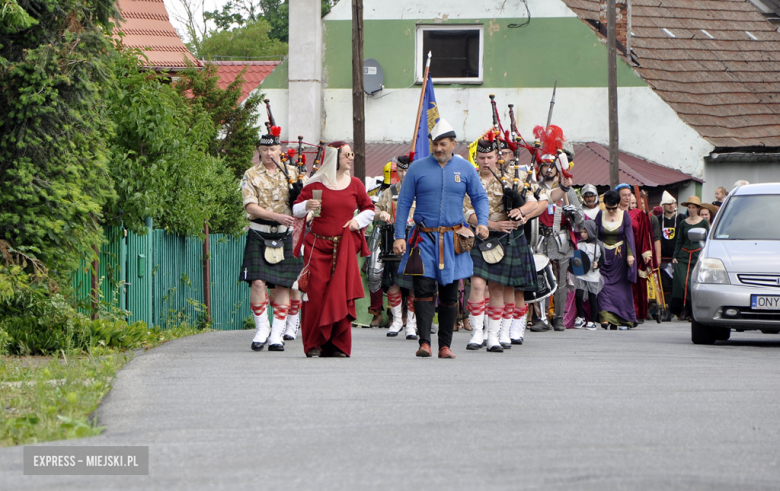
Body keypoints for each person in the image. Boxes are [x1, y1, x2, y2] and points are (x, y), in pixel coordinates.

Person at [393, 119, 489, 359]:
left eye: (443, 144)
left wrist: (484, 222)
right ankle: (424, 343)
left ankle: (445, 346)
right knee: (423, 289)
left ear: (453, 144)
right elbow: (403, 203)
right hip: (423, 239)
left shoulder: (466, 168)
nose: (438, 149)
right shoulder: (416, 168)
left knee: (449, 293)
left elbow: (480, 197)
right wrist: (398, 236)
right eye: (435, 144)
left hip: (454, 240)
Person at [292, 142, 375, 357]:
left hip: (344, 249)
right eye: (347, 154)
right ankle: (314, 345)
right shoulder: (315, 185)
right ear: (334, 158)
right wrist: (306, 206)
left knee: (340, 294)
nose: (351, 158)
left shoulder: (355, 184)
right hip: (318, 247)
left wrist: (357, 221)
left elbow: (369, 209)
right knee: (317, 295)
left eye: (352, 154)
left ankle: (337, 344)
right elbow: (296, 209)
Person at [463, 136, 538, 352]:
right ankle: (478, 333)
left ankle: (494, 336)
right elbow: (467, 212)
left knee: (497, 289)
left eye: (490, 157)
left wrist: (520, 211)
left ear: (498, 157)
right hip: (481, 236)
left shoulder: (513, 178)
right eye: (481, 157)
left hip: (506, 238)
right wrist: (492, 225)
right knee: (477, 285)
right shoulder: (471, 179)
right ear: (476, 158)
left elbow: (533, 201)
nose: (486, 162)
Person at [241, 128, 305, 352]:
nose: (270, 153)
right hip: (259, 231)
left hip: (286, 234)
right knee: (258, 282)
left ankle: (277, 333)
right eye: (265, 149)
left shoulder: (295, 174)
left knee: (283, 284)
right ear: (259, 150)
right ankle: (262, 329)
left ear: (281, 150)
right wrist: (276, 216)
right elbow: (250, 205)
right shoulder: (251, 174)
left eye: (274, 149)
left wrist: (301, 199)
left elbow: (304, 207)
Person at [531, 152, 584, 332]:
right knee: (541, 278)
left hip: (561, 238)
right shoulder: (534, 188)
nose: (549, 169)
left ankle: (559, 318)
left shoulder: (567, 189)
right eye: (545, 166)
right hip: (540, 238)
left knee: (561, 281)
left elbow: (581, 218)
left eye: (552, 166)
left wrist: (572, 213)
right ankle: (541, 318)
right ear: (541, 168)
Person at [375, 155, 417, 340]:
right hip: (394, 241)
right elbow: (374, 211)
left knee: (414, 285)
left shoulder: (421, 190)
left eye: (407, 170)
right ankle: (398, 320)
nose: (404, 173)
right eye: (400, 170)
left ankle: (412, 324)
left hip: (416, 241)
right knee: (393, 283)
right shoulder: (390, 191)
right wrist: (382, 212)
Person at [595, 190, 637, 329]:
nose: (611, 211)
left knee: (621, 288)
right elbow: (595, 237)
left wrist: (630, 255)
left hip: (620, 256)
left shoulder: (625, 216)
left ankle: (622, 318)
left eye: (614, 208)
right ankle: (605, 317)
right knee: (603, 286)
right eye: (608, 208)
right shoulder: (600, 214)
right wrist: (595, 256)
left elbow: (629, 236)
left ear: (618, 204)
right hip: (604, 256)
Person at [617, 184, 655, 324]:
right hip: (618, 252)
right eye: (624, 195)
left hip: (636, 253)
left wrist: (646, 254)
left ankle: (636, 312)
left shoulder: (638, 214)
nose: (627, 197)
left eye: (628, 195)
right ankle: (619, 312)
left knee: (636, 282)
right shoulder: (614, 213)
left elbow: (645, 234)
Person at [671, 196, 710, 321]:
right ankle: (682, 309)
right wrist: (675, 255)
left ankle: (692, 310)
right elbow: (679, 240)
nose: (691, 210)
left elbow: (707, 239)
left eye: (694, 207)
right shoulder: (683, 222)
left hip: (697, 255)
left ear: (698, 209)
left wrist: (706, 255)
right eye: (689, 207)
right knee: (682, 282)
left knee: (692, 283)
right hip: (684, 255)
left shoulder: (703, 222)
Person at [573, 220, 604, 330]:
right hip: (581, 273)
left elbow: (603, 259)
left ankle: (592, 320)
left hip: (593, 274)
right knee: (579, 295)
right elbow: (575, 258)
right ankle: (580, 317)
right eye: (581, 232)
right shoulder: (579, 244)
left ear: (590, 231)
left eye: (585, 232)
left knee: (592, 297)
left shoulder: (598, 245)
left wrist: (598, 264)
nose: (582, 234)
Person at [658, 191, 684, 321]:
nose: (671, 206)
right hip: (663, 258)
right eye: (668, 204)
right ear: (663, 205)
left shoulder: (681, 218)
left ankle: (679, 310)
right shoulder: (658, 220)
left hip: (678, 258)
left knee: (678, 285)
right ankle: (668, 310)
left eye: (673, 203)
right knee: (666, 286)